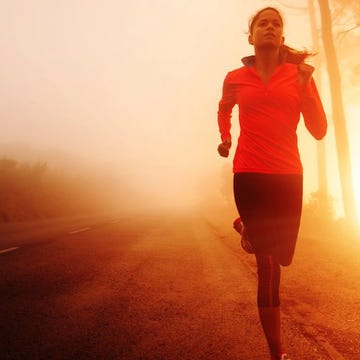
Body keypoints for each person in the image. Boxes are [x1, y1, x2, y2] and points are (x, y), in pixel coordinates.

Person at [216, 7, 327, 360]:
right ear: (252, 36)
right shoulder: (234, 77)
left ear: (281, 37)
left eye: (276, 23)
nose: (269, 27)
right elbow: (223, 108)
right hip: (249, 174)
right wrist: (226, 138)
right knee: (268, 267)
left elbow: (319, 130)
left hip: (288, 176)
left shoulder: (298, 76)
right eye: (262, 23)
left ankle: (245, 229)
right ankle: (276, 353)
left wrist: (306, 86)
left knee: (285, 258)